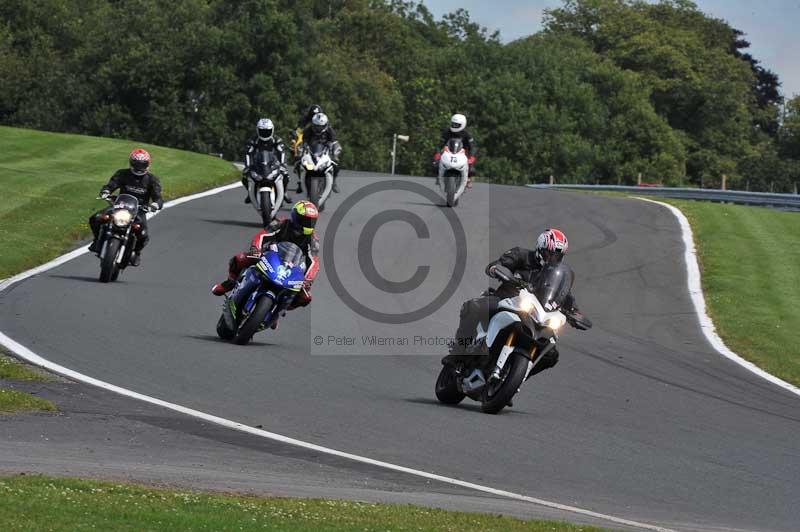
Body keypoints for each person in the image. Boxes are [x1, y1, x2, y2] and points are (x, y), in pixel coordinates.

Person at [443, 228, 591, 376]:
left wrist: (575, 314)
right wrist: (498, 268)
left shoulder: (554, 276)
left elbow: (566, 296)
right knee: (473, 307)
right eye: (549, 253)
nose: (552, 258)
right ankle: (458, 352)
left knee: (550, 355)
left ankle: (512, 379)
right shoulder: (522, 255)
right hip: (506, 300)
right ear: (540, 248)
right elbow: (500, 264)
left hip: (536, 316)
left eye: (557, 256)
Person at [211, 200, 320, 316]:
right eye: (305, 220)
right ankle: (229, 283)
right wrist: (256, 250)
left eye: (311, 221)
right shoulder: (281, 223)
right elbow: (262, 235)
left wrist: (307, 280)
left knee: (306, 297)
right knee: (240, 258)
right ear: (295, 216)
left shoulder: (313, 240)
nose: (308, 224)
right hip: (269, 255)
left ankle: (278, 311)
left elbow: (314, 262)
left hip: (291, 267)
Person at [88, 149, 163, 267]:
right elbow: (112, 184)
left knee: (143, 234)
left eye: (142, 164)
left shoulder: (152, 179)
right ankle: (97, 241)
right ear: (131, 163)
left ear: (148, 164)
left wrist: (154, 205)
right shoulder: (122, 173)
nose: (139, 167)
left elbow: (158, 197)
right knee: (96, 218)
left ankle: (136, 253)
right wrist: (106, 191)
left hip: (139, 210)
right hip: (120, 206)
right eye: (136, 164)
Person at [243, 118, 291, 203]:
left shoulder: (277, 139)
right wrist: (247, 166)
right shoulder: (253, 140)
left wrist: (283, 164)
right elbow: (248, 153)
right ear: (258, 130)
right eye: (262, 131)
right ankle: (249, 193)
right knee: (245, 176)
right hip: (258, 163)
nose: (265, 133)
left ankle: (285, 192)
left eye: (267, 131)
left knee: (286, 175)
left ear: (272, 130)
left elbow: (282, 152)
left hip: (273, 163)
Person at [433, 113, 476, 187]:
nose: (454, 126)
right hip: (448, 152)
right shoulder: (446, 132)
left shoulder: (467, 134)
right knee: (435, 163)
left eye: (456, 125)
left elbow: (473, 147)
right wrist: (437, 153)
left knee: (471, 168)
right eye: (453, 124)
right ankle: (439, 176)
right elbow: (439, 144)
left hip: (462, 153)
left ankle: (468, 178)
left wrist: (472, 157)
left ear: (463, 124)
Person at [291, 104, 324, 194]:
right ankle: (301, 180)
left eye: (316, 115)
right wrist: (295, 133)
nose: (315, 117)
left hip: (320, 140)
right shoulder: (305, 119)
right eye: (313, 115)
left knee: (331, 157)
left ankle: (333, 181)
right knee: (297, 155)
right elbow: (298, 129)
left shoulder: (323, 120)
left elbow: (329, 131)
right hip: (306, 139)